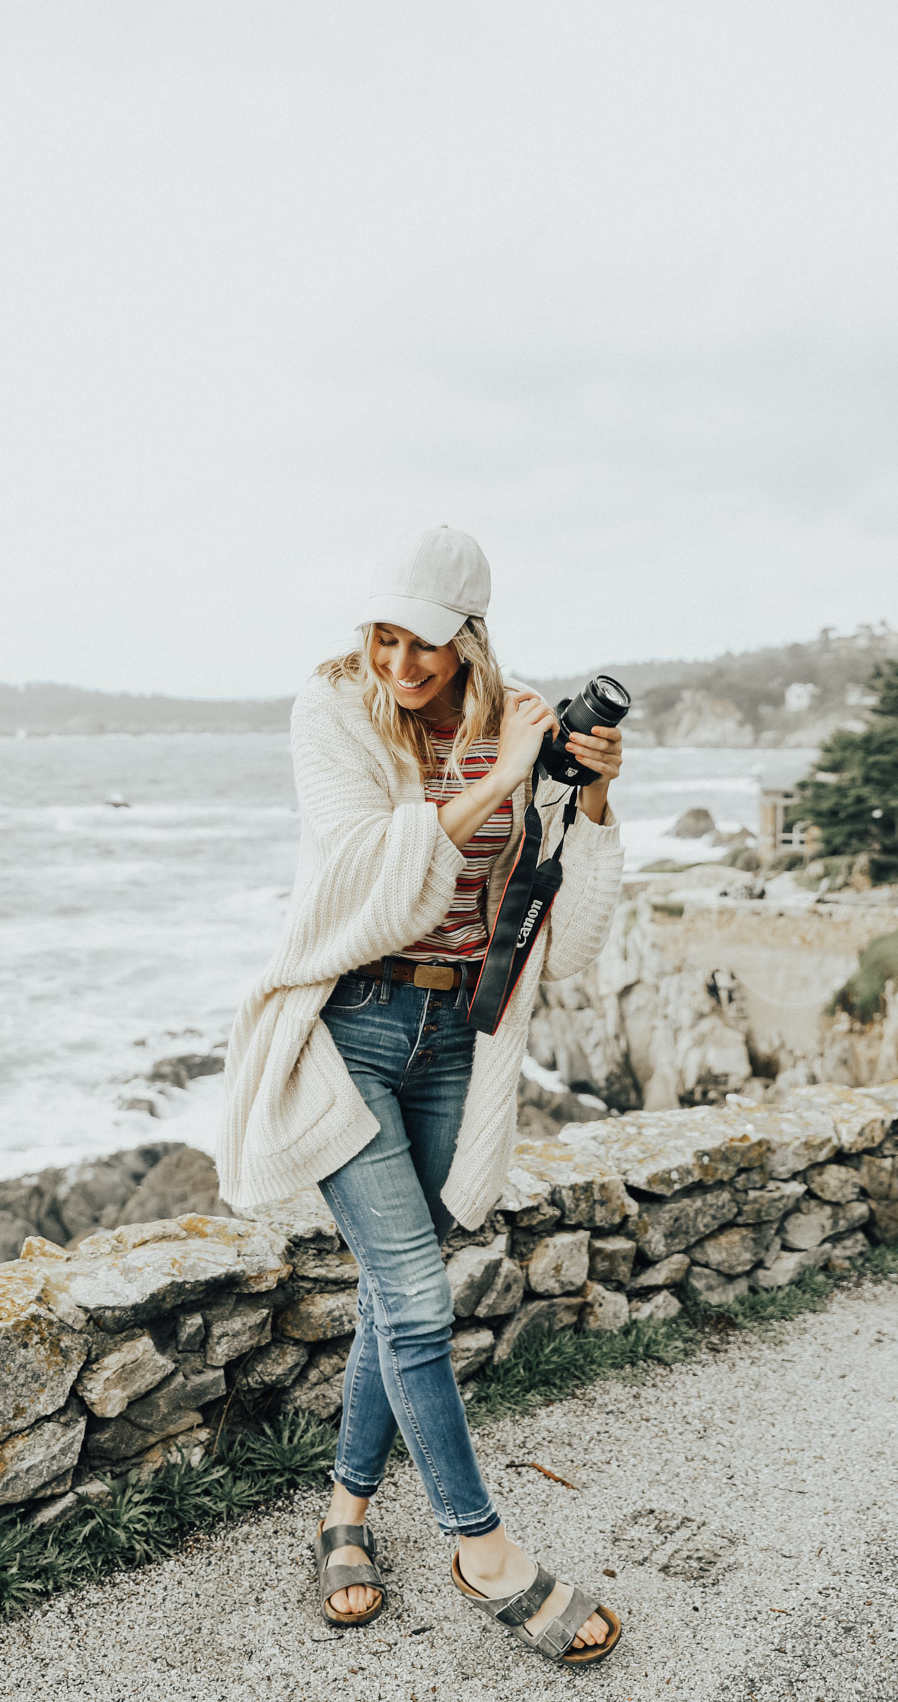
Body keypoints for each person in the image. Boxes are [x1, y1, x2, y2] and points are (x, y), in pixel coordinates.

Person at [217, 525, 625, 1668]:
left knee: (401, 1295)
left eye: (425, 644)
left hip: (458, 1034)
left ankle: (345, 1513)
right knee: (411, 1293)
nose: (401, 665)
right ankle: (482, 1547)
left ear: (471, 636)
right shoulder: (334, 708)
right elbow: (362, 876)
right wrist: (499, 776)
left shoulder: (523, 719)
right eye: (383, 637)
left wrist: (583, 804)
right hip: (348, 1023)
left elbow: (573, 938)